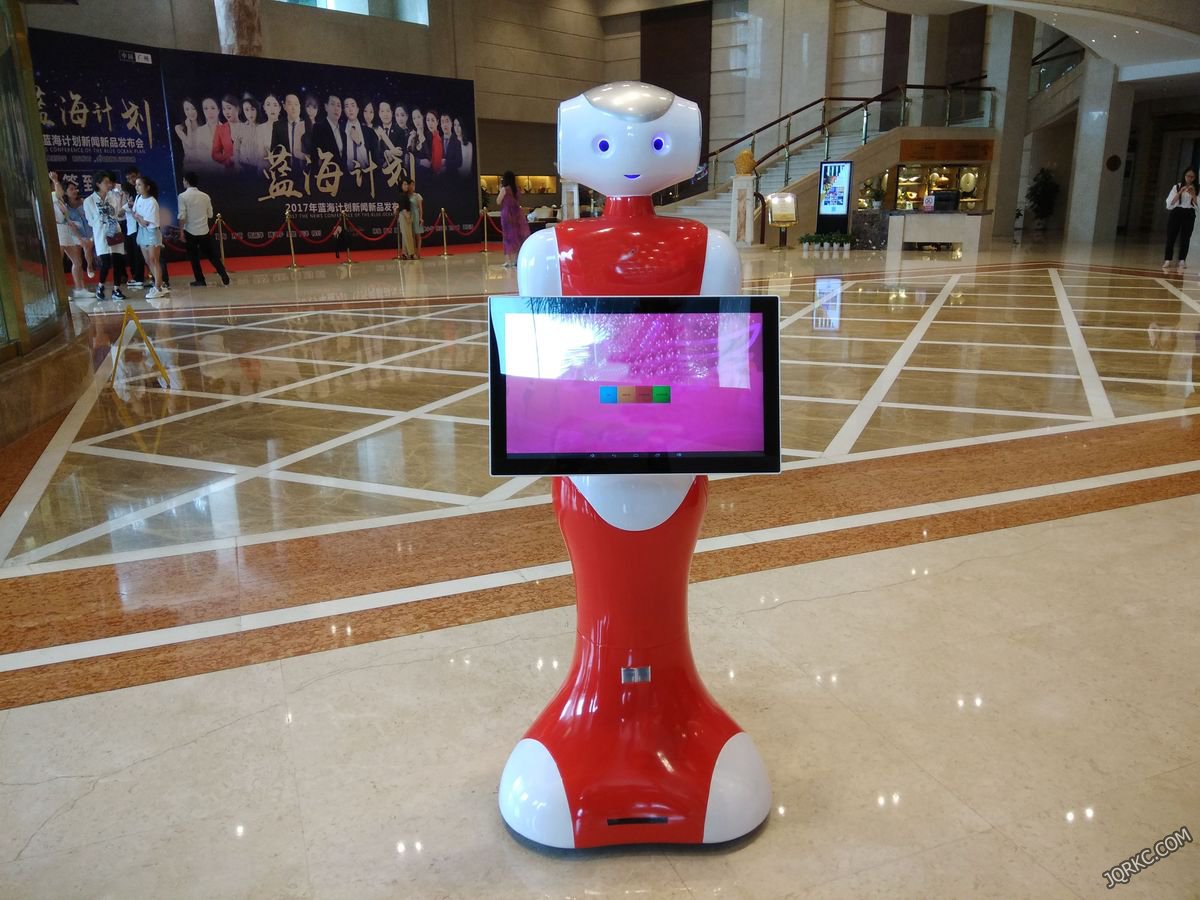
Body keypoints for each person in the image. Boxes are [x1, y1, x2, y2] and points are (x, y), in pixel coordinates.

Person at [178, 172, 230, 288]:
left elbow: (182, 216)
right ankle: (223, 274)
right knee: (212, 255)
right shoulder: (205, 196)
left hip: (190, 230)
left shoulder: (182, 196)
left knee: (194, 257)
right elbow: (210, 214)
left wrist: (181, 232)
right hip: (204, 230)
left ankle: (200, 279)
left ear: (186, 181)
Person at [84, 171, 128, 302]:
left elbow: (117, 214)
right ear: (98, 184)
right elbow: (90, 220)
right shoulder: (89, 200)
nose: (109, 185)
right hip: (101, 233)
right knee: (106, 263)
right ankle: (100, 287)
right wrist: (101, 217)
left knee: (118, 261)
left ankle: (116, 289)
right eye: (106, 182)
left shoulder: (112, 197)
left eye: (109, 182)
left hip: (114, 231)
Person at [50, 172, 88, 296]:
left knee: (77, 261)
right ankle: (59, 293)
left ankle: (80, 289)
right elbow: (58, 192)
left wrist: (79, 238)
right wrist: (55, 180)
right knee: (58, 264)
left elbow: (67, 220)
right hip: (56, 231)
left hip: (66, 231)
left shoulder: (61, 202)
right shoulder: (51, 197)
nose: (59, 188)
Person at [132, 176, 168, 299]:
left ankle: (158, 287)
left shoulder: (152, 202)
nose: (137, 187)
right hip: (142, 232)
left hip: (152, 232)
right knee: (148, 260)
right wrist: (138, 217)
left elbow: (145, 222)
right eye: (136, 185)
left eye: (139, 185)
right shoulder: (138, 198)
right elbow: (134, 213)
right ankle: (158, 284)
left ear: (147, 187)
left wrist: (138, 217)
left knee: (154, 260)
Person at [1164, 167, 1198, 273]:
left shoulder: (1197, 188)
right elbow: (1169, 203)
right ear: (1184, 176)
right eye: (1188, 176)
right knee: (1171, 236)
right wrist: (1180, 192)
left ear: (1195, 178)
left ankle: (1182, 260)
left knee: (1186, 237)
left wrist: (1193, 194)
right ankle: (1168, 259)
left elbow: (1198, 205)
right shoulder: (1177, 186)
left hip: (1189, 213)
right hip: (1176, 212)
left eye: (1192, 177)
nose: (1189, 178)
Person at [64, 180, 97, 279]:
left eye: (75, 189)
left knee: (87, 245)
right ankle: (79, 283)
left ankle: (89, 266)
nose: (75, 191)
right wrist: (79, 238)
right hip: (75, 234)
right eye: (71, 189)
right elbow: (69, 224)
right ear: (65, 192)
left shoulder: (83, 201)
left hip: (89, 232)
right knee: (77, 261)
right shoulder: (65, 207)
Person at [498, 170, 530, 268]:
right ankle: (517, 260)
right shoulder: (517, 189)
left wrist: (500, 190)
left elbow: (498, 201)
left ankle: (508, 261)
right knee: (517, 236)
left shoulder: (504, 189)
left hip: (507, 214)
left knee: (507, 236)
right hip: (517, 214)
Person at [119, 166, 145, 288]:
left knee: (139, 253)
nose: (131, 180)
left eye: (133, 177)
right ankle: (136, 276)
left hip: (140, 225)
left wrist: (128, 207)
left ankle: (139, 277)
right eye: (128, 178)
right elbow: (121, 211)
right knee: (132, 253)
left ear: (138, 175)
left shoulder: (143, 190)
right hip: (131, 226)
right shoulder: (128, 191)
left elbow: (140, 207)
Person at [272, 93, 307, 176]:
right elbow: (274, 151)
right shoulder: (278, 126)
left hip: (305, 171)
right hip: (284, 172)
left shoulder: (307, 125)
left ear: (300, 106)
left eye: (296, 104)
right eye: (290, 104)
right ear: (284, 106)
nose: (293, 108)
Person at [311, 94, 346, 172]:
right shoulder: (318, 128)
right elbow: (314, 157)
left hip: (342, 175)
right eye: (332, 104)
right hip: (326, 175)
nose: (336, 108)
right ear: (326, 107)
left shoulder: (344, 133)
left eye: (339, 106)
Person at [174, 98, 210, 173]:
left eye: (193, 108)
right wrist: (189, 127)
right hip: (190, 167)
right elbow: (190, 144)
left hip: (205, 165)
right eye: (187, 109)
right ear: (184, 111)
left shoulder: (204, 126)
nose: (190, 112)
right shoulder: (179, 128)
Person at [342, 97, 371, 173]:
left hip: (365, 173)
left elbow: (371, 160)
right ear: (344, 111)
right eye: (347, 106)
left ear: (357, 109)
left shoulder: (368, 131)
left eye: (353, 105)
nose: (350, 109)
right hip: (347, 174)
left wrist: (359, 143)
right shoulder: (340, 130)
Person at [212, 94, 239, 169]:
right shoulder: (220, 129)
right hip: (229, 170)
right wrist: (229, 159)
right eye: (224, 109)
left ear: (237, 108)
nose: (226, 112)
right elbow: (215, 154)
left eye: (229, 108)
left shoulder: (246, 127)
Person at [197, 97, 221, 171]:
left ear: (218, 110)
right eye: (206, 109)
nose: (209, 112)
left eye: (213, 108)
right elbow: (200, 157)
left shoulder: (228, 129)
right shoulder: (199, 131)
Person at [407, 178, 424, 257]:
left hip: (416, 216)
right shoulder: (406, 196)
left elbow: (420, 208)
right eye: (411, 185)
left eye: (413, 185)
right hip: (409, 216)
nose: (413, 186)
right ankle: (413, 253)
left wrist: (421, 218)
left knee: (418, 235)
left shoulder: (417, 196)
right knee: (411, 236)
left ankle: (418, 253)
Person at [426, 109, 443, 174]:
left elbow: (436, 167)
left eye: (432, 120)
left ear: (437, 122)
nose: (430, 123)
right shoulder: (428, 136)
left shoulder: (437, 139)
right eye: (428, 120)